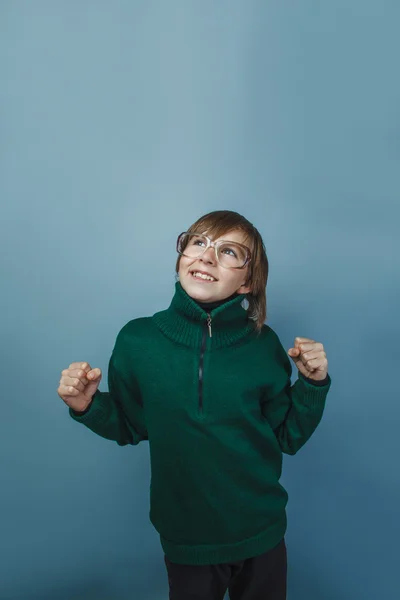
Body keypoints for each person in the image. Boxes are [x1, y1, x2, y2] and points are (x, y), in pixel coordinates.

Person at [57, 210, 331, 600]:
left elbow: (288, 436)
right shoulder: (138, 341)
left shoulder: (264, 345)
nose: (207, 255)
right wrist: (88, 406)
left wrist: (312, 384)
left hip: (262, 531)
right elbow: (131, 426)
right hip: (187, 538)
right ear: (182, 256)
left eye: (230, 251)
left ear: (247, 282)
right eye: (198, 242)